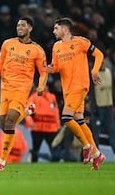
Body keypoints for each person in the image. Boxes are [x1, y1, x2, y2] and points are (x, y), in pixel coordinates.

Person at [0, 16, 48, 171]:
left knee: (10, 122)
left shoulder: (37, 50)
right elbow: (0, 60)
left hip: (21, 90)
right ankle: (28, 111)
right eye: (18, 25)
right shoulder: (8, 43)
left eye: (22, 25)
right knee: (3, 125)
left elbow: (43, 72)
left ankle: (1, 161)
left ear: (30, 28)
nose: (19, 28)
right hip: (5, 88)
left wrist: (41, 87)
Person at [47, 17, 106, 170]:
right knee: (79, 119)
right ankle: (97, 155)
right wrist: (49, 68)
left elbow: (99, 54)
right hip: (67, 89)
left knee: (66, 118)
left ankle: (87, 147)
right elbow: (56, 67)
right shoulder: (56, 47)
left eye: (56, 28)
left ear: (65, 29)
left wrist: (94, 71)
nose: (54, 31)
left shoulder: (81, 42)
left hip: (80, 85)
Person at [24, 85, 61, 162]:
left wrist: (58, 124)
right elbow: (28, 111)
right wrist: (30, 122)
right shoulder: (34, 97)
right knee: (36, 148)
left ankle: (55, 164)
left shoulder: (52, 97)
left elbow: (56, 112)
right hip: (38, 126)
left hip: (51, 127)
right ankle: (33, 163)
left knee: (54, 148)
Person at [91, 62, 115, 155]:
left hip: (108, 107)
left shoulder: (109, 72)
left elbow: (112, 89)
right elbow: (92, 93)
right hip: (98, 107)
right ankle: (96, 156)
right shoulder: (94, 74)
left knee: (112, 132)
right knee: (95, 134)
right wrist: (94, 108)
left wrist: (113, 103)